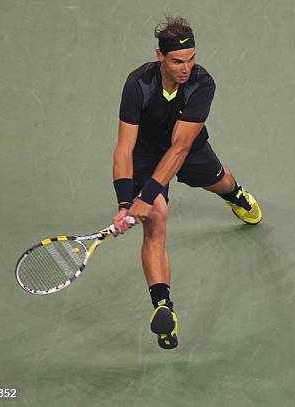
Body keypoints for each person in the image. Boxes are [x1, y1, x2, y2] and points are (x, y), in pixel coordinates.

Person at [111, 16, 262, 350]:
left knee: (221, 181)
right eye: (178, 61)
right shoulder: (138, 84)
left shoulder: (201, 83)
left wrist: (146, 194)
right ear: (160, 57)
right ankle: (163, 305)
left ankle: (236, 196)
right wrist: (126, 201)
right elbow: (124, 147)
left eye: (191, 59)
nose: (186, 67)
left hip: (188, 148)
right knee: (156, 220)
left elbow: (180, 148)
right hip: (147, 155)